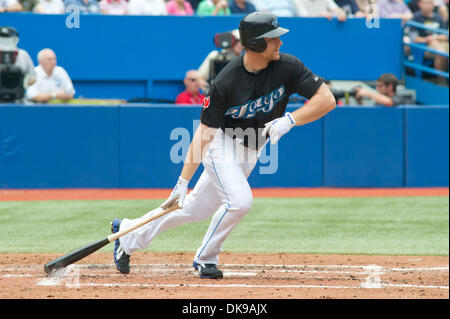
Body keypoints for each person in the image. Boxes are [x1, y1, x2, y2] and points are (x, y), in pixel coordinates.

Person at [110, 12, 336, 278]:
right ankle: (206, 258)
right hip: (222, 144)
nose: (280, 43)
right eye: (273, 38)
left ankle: (127, 234)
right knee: (240, 202)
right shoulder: (226, 81)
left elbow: (327, 99)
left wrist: (291, 120)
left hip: (252, 149)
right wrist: (182, 182)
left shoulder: (288, 66)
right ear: (256, 45)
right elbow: (204, 134)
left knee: (195, 209)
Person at [408, 0, 448, 80]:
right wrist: (427, 39)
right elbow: (414, 38)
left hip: (440, 44)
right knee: (441, 53)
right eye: (426, 3)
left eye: (430, 3)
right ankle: (442, 81)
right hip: (425, 47)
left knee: (441, 49)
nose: (428, 6)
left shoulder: (438, 17)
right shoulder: (416, 17)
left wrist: (434, 38)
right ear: (420, 4)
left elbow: (445, 36)